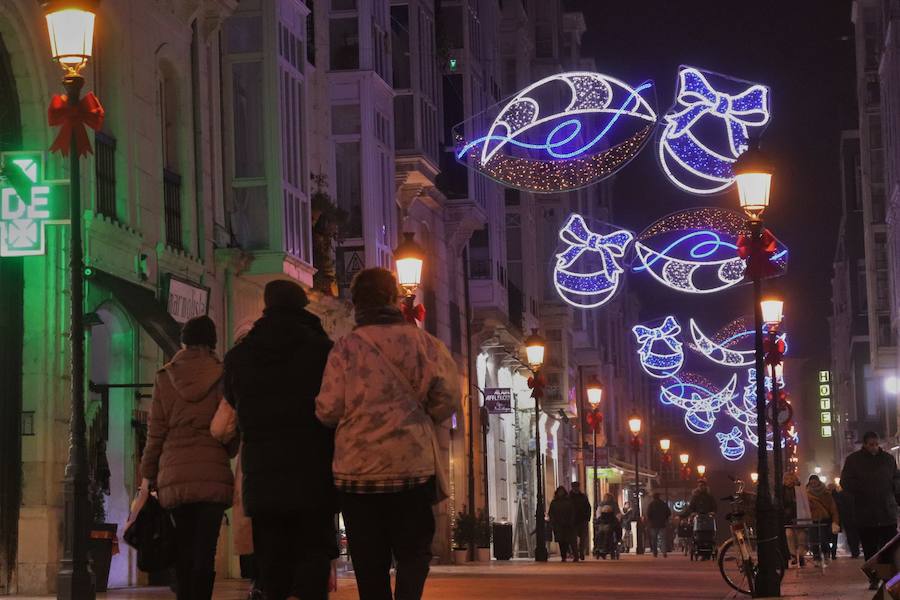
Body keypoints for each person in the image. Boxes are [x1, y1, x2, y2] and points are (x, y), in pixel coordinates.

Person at [316, 268, 461, 600]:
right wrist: (420, 416)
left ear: (356, 304)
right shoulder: (425, 345)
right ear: (394, 298)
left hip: (357, 475)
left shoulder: (344, 349)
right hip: (412, 470)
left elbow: (327, 409)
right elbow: (448, 399)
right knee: (413, 553)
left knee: (369, 563)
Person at [225, 280, 336, 600]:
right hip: (313, 474)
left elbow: (232, 401)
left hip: (263, 476)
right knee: (313, 560)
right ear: (303, 304)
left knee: (272, 568)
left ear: (267, 305)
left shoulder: (240, 356)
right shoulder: (322, 350)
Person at [139, 316, 234, 600]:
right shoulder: (223, 375)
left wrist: (147, 474)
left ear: (184, 340)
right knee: (205, 550)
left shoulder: (165, 377)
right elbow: (229, 426)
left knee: (182, 547)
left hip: (174, 475)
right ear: (212, 342)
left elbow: (155, 432)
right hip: (212, 474)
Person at [840, 431, 900, 589]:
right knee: (870, 549)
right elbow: (845, 482)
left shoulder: (888, 459)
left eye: (876, 444)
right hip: (865, 513)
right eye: (870, 444)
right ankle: (874, 578)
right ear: (864, 444)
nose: (874, 447)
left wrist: (894, 494)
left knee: (888, 548)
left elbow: (896, 479)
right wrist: (862, 490)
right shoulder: (853, 461)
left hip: (887, 512)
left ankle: (888, 579)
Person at [807, 475, 839, 564]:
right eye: (811, 482)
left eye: (815, 482)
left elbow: (833, 509)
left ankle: (826, 554)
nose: (813, 484)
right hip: (812, 520)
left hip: (824, 520)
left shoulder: (826, 493)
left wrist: (835, 522)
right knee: (813, 539)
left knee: (823, 539)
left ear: (818, 482)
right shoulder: (806, 494)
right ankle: (816, 557)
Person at [783, 472, 811, 567]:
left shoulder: (800, 489)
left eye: (791, 478)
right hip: (788, 517)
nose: (789, 480)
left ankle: (801, 555)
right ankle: (794, 555)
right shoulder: (782, 490)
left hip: (799, 515)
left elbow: (805, 502)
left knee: (801, 537)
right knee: (789, 535)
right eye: (787, 478)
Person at [831, 482, 860, 558]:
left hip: (846, 518)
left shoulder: (841, 495)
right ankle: (855, 551)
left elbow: (838, 504)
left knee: (850, 535)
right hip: (855, 517)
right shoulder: (857, 494)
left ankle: (854, 551)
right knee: (854, 535)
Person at [549, 487, 577, 562]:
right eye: (559, 492)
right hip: (558, 524)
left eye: (561, 492)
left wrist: (571, 521)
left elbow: (572, 512)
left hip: (567, 524)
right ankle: (563, 555)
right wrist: (553, 522)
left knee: (566, 540)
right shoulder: (554, 502)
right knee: (561, 541)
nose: (560, 493)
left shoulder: (568, 502)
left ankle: (565, 555)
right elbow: (551, 513)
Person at [569, 481, 592, 560]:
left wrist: (587, 517)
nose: (576, 488)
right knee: (573, 539)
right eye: (574, 487)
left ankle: (581, 551)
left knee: (583, 538)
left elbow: (588, 507)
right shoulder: (569, 497)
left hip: (582, 520)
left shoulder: (583, 497)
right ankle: (576, 555)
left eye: (577, 487)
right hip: (573, 520)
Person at [594, 493, 622, 559]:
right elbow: (618, 517)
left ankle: (600, 548)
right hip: (609, 527)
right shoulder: (614, 505)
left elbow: (598, 517)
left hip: (605, 527)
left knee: (601, 534)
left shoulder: (601, 505)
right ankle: (603, 548)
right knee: (604, 534)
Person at [646, 492, 671, 558]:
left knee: (654, 539)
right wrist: (665, 518)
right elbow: (668, 513)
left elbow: (648, 514)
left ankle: (655, 552)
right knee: (663, 538)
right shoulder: (663, 504)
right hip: (662, 523)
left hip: (654, 524)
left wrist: (650, 520)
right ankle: (664, 552)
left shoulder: (651, 505)